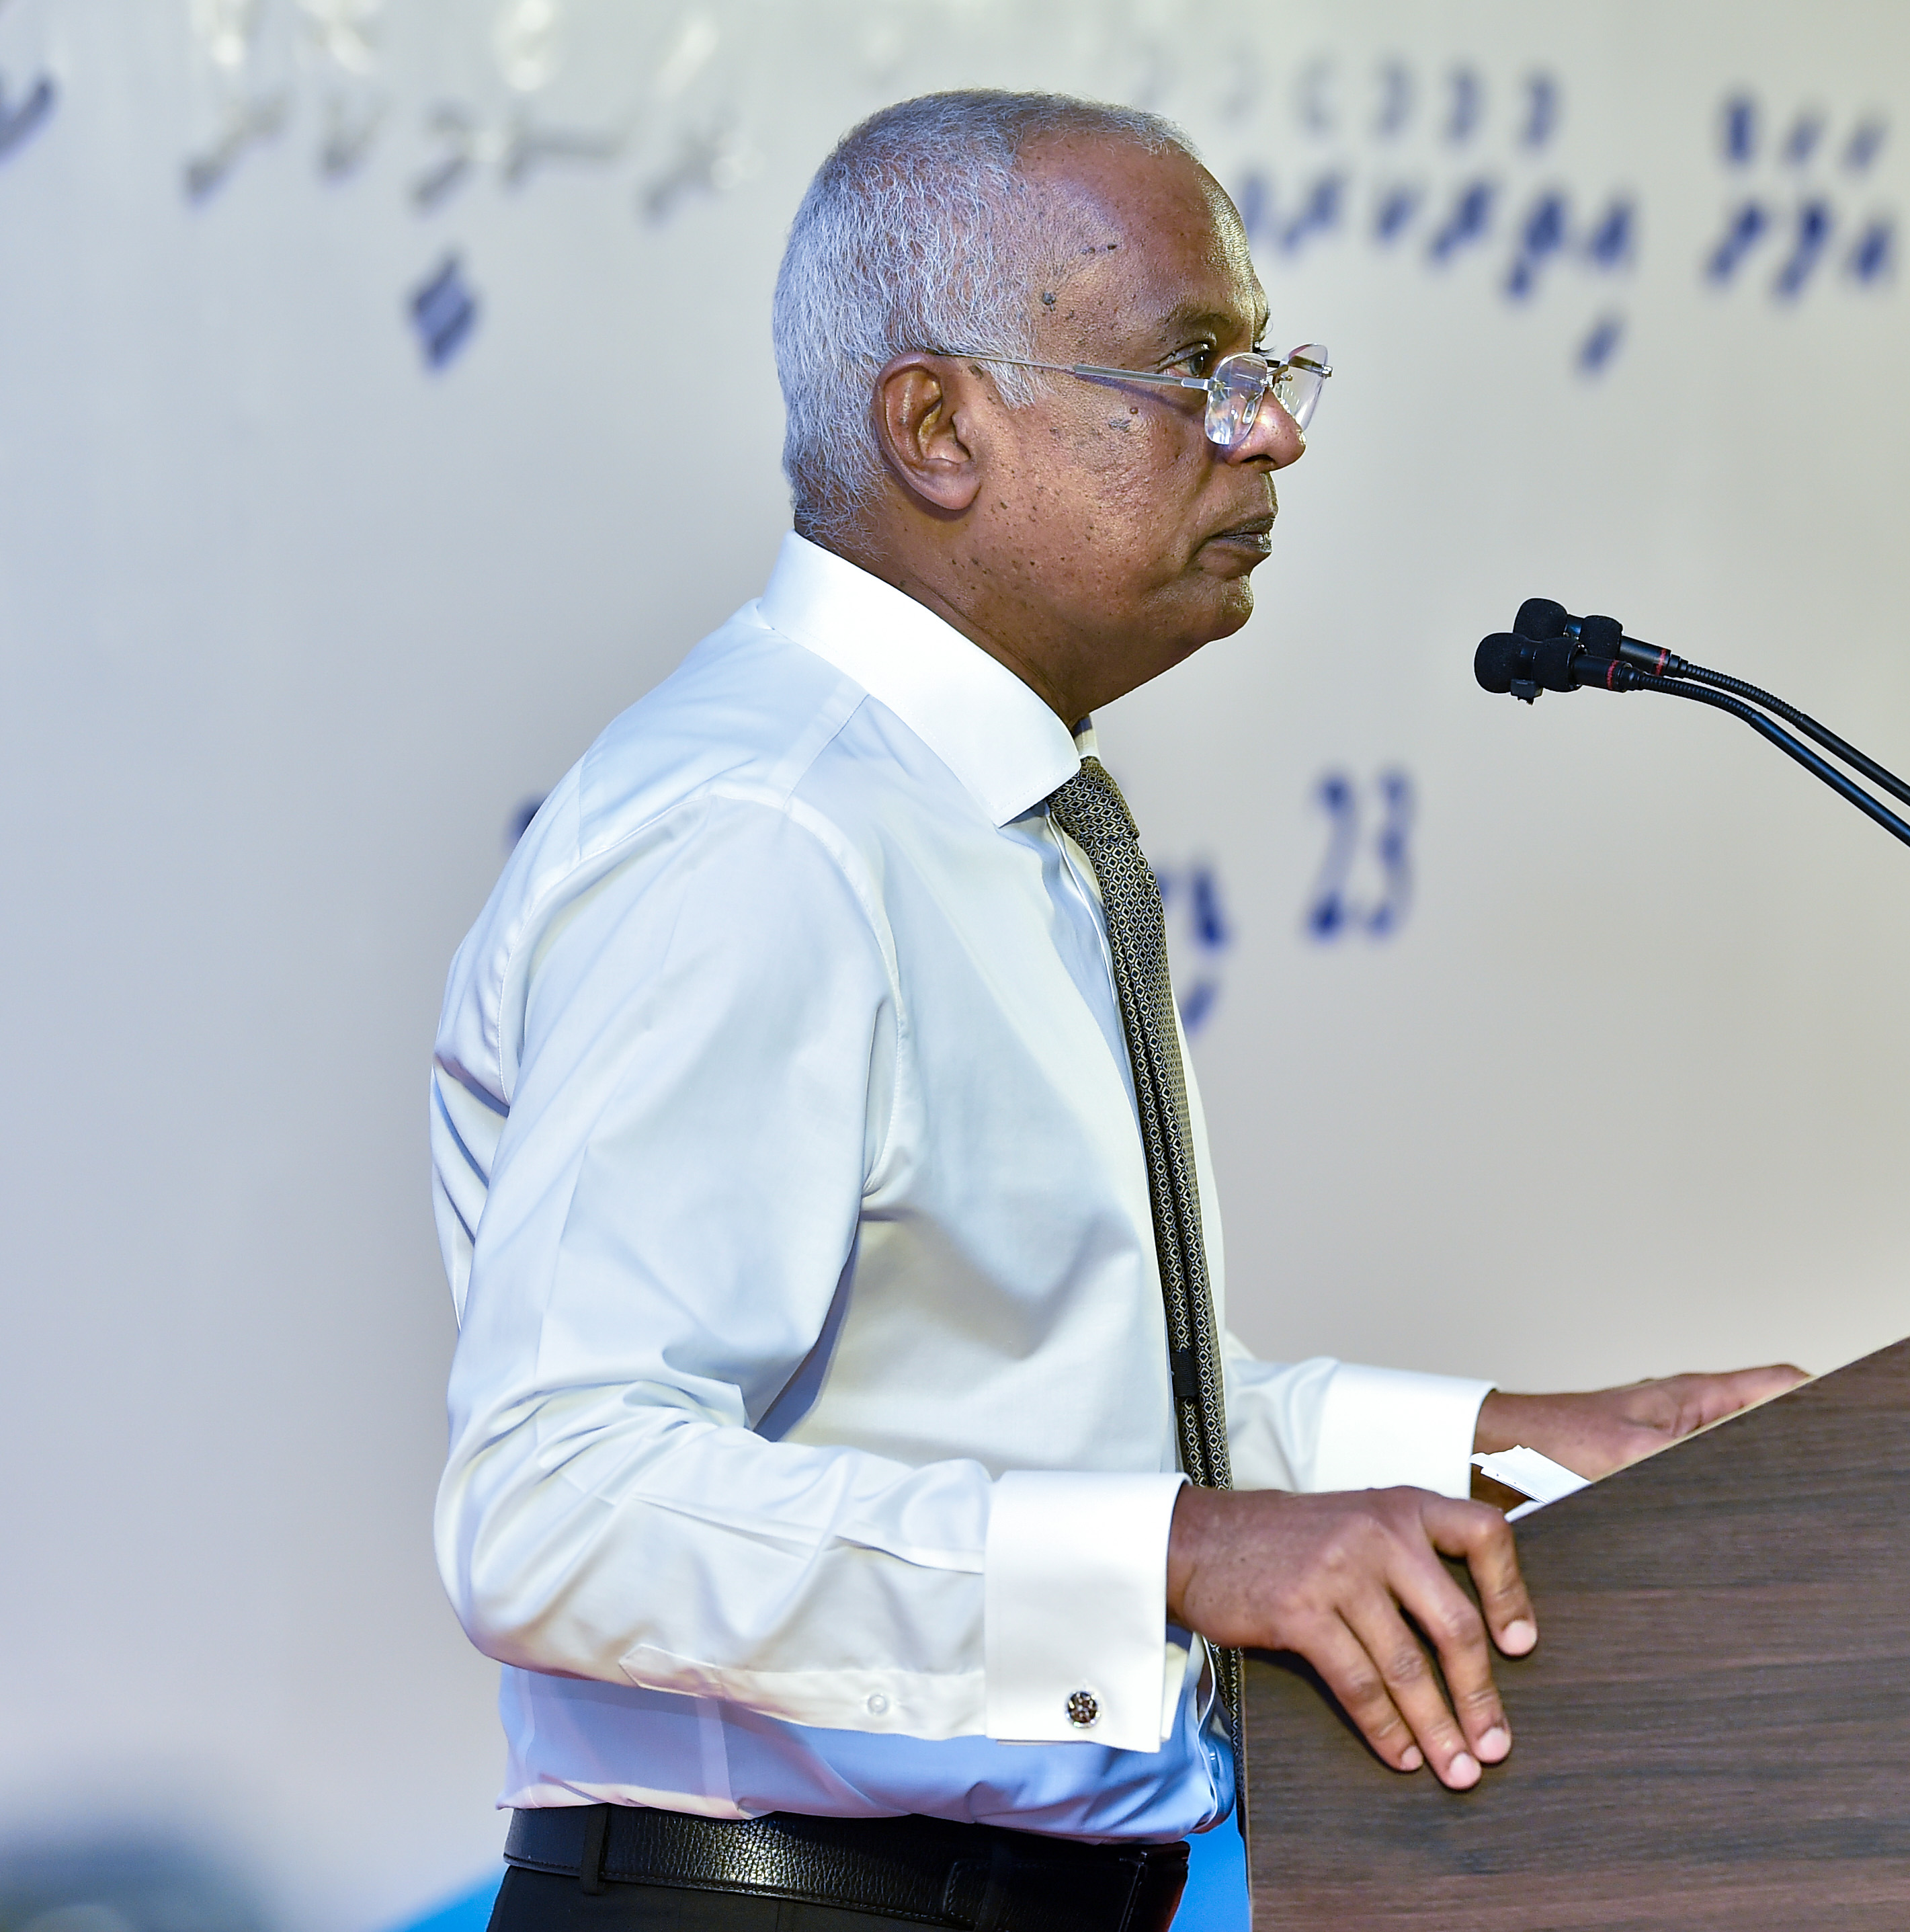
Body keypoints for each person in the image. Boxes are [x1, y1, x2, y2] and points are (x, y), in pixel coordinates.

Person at [431, 89, 1801, 1932]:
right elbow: (556, 1495)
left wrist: (1544, 1439)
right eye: (1197, 370)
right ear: (936, 425)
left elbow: (1045, 1427)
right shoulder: (761, 828)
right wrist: (1189, 1547)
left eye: (1274, 365)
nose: (1276, 432)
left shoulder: (995, 815)